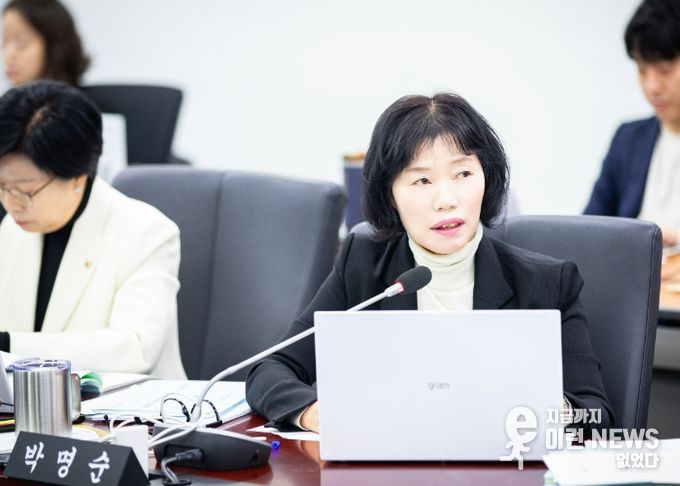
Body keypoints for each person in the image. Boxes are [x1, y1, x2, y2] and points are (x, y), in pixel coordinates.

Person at [246, 93, 614, 433]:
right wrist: (317, 414)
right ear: (390, 194)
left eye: (463, 174)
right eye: (422, 180)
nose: (446, 200)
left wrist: (543, 408)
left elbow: (596, 414)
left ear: (487, 177)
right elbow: (270, 370)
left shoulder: (546, 283)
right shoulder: (363, 266)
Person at [0, 80, 186, 379]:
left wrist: (10, 345)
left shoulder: (146, 232)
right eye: (2, 186)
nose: (11, 203)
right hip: (32, 402)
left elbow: (136, 348)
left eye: (26, 190)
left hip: (131, 406)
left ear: (77, 175)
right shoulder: (13, 229)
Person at [584, 0, 680, 247]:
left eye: (665, 70)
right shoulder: (628, 139)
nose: (652, 86)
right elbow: (588, 229)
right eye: (642, 70)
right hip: (632, 271)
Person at [2, 0, 88, 87]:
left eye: (21, 42)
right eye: (4, 42)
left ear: (55, 46)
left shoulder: (84, 96)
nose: (9, 54)